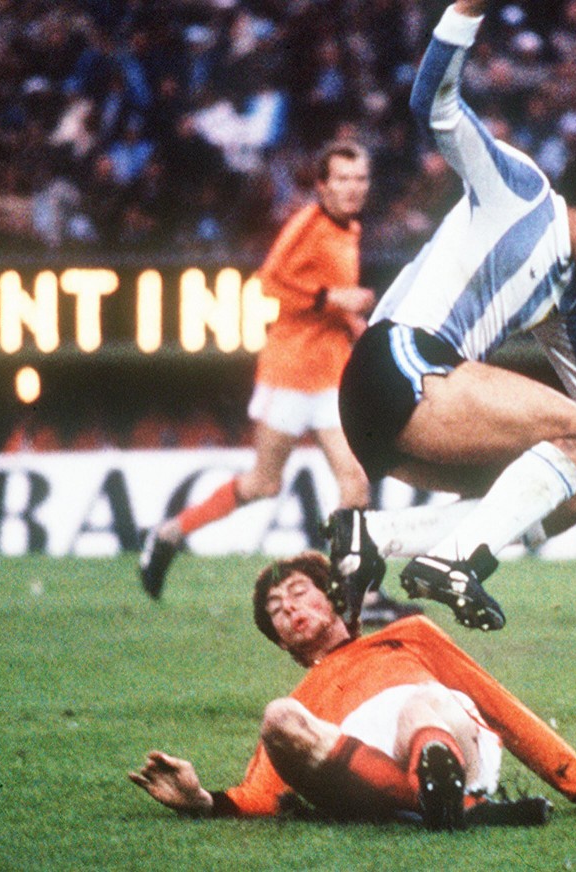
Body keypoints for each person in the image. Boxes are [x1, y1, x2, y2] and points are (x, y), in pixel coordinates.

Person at [327, 0, 576, 632]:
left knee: (570, 498)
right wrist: (464, 11)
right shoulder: (517, 188)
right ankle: (454, 562)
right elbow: (432, 106)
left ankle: (372, 538)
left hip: (395, 421)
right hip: (397, 364)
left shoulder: (571, 293)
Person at [129, 551, 576, 829]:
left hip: (444, 735)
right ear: (278, 639)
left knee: (422, 702)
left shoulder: (408, 635)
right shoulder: (306, 695)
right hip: (359, 769)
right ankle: (461, 810)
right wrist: (200, 801)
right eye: (276, 611)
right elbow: (263, 793)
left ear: (335, 599)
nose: (289, 609)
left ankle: (441, 794)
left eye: (298, 594)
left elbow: (503, 710)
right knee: (278, 717)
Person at [139, 140, 419, 625]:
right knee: (263, 483)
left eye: (361, 179)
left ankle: (361, 596)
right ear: (322, 185)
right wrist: (337, 299)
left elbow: (330, 305)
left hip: (332, 374)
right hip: (290, 372)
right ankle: (169, 534)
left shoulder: (349, 228)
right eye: (344, 179)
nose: (355, 189)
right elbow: (270, 284)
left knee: (354, 482)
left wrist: (355, 324)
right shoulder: (307, 225)